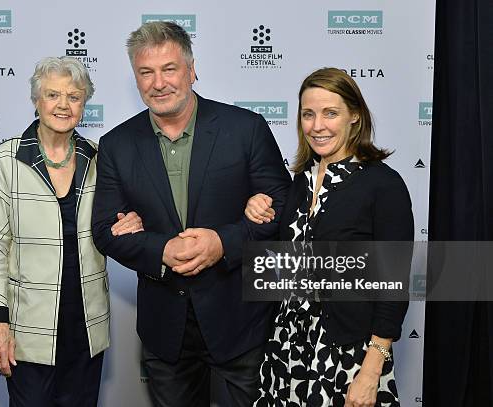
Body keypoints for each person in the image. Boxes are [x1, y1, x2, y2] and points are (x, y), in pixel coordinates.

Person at [91, 21, 291, 407]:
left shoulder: (245, 128)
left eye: (169, 69)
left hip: (241, 320)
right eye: (145, 72)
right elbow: (104, 228)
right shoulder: (116, 144)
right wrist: (162, 249)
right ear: (135, 78)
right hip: (165, 328)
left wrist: (223, 242)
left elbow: (282, 205)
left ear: (191, 70)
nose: (158, 82)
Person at [0, 56, 142, 407]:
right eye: (52, 95)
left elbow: (116, 222)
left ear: (84, 104)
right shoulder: (7, 160)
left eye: (74, 96)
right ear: (36, 101)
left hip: (86, 326)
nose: (63, 105)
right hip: (26, 331)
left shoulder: (99, 158)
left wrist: (133, 223)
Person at [245, 67, 413, 407]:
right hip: (287, 345)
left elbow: (393, 286)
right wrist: (255, 206)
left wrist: (371, 371)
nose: (317, 125)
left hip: (348, 353)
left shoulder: (383, 185)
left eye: (330, 113)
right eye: (308, 114)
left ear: (354, 116)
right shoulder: (299, 183)